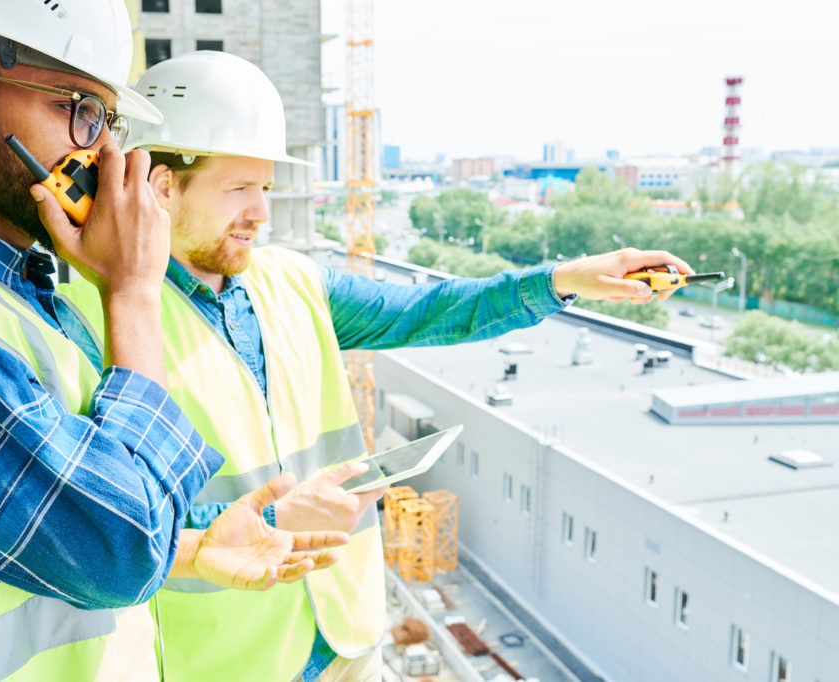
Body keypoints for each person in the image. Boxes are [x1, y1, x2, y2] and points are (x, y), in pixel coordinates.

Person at [61, 51, 695, 682]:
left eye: (266, 189)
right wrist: (274, 522)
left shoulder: (292, 282)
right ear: (164, 188)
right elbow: (99, 530)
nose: (262, 213)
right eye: (239, 189)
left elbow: (434, 309)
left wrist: (566, 279)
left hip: (346, 636)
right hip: (229, 661)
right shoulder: (97, 320)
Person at [0, 4, 346, 680]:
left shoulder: (10, 293)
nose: (101, 157)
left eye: (109, 124)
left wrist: (187, 547)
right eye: (80, 111)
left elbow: (52, 520)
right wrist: (132, 292)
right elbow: (122, 549)